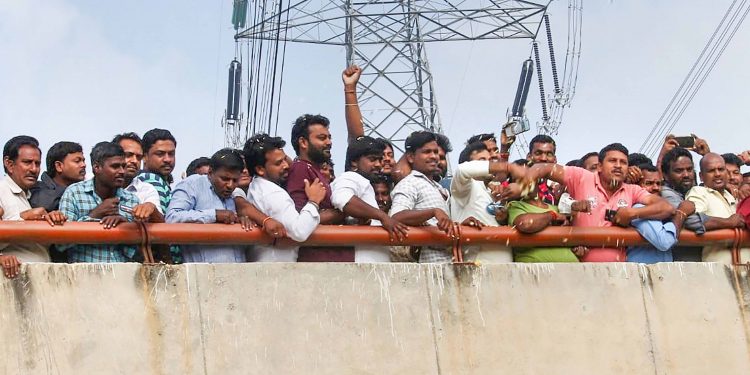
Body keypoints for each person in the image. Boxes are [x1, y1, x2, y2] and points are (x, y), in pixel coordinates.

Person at [523, 143, 674, 262]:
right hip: (580, 269)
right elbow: (540, 168)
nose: (618, 165)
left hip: (619, 272)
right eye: (612, 161)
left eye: (623, 162)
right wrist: (521, 186)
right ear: (600, 166)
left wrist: (633, 213)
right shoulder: (581, 177)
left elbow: (666, 207)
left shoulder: (632, 190)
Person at [59, 142, 158, 263]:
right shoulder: (74, 193)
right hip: (84, 277)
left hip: (122, 277)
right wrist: (94, 216)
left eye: (123, 166)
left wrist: (126, 227)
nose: (122, 171)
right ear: (97, 168)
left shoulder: (132, 200)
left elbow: (139, 253)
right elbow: (61, 244)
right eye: (115, 166)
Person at [244, 134, 324, 262]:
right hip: (275, 271)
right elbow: (299, 231)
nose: (286, 165)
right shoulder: (273, 194)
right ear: (260, 169)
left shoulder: (256, 186)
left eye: (285, 159)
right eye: (278, 163)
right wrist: (314, 201)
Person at [166, 149, 252, 263]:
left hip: (236, 274)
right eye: (225, 179)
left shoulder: (234, 195)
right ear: (210, 173)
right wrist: (214, 215)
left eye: (235, 180)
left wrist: (241, 222)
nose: (230, 185)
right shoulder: (192, 184)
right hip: (202, 275)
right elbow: (172, 217)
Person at [331, 136, 408, 262]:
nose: (378, 165)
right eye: (372, 159)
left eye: (380, 159)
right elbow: (342, 199)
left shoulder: (365, 182)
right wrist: (383, 217)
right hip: (361, 263)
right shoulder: (350, 177)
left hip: (373, 264)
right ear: (354, 162)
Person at [1, 136, 67, 277]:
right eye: (27, 162)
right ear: (9, 164)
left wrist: (53, 219)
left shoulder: (34, 195)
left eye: (37, 164)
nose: (34, 169)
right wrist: (23, 219)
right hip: (12, 280)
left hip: (40, 278)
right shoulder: (2, 191)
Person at [287, 113, 349, 261]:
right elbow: (300, 219)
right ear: (303, 142)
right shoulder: (300, 169)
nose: (329, 142)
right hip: (315, 260)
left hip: (331, 256)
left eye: (329, 137)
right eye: (322, 138)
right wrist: (342, 212)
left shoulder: (313, 170)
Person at [450, 141, 525, 263]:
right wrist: (508, 167)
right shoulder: (464, 188)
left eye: (489, 160)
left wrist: (502, 218)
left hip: (502, 268)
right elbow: (462, 170)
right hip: (478, 269)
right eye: (482, 160)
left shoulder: (491, 191)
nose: (490, 164)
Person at [390, 131, 457, 263]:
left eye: (436, 152)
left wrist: (461, 225)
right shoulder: (410, 183)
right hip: (429, 266)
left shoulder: (439, 188)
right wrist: (433, 212)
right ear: (410, 157)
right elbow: (396, 217)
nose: (434, 156)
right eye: (427, 152)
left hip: (450, 262)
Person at [685, 153, 747, 263]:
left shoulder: (735, 196)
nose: (717, 174)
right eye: (711, 171)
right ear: (701, 176)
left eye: (721, 169)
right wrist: (729, 222)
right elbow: (693, 220)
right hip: (718, 271)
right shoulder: (699, 192)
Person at [627, 169, 697, 263]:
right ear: (637, 187)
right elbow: (665, 241)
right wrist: (682, 212)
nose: (656, 187)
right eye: (649, 183)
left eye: (659, 183)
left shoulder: (663, 209)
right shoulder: (638, 208)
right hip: (640, 274)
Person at [134, 128, 181, 262]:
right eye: (160, 154)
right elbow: (161, 225)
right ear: (145, 156)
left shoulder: (161, 181)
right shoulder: (150, 179)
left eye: (171, 154)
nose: (167, 159)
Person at [659, 147, 712, 261]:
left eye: (689, 169)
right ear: (665, 175)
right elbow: (693, 222)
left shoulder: (695, 190)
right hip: (681, 268)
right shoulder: (665, 193)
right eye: (679, 171)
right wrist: (730, 221)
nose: (686, 175)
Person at [30, 141, 86, 212]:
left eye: (83, 161)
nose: (83, 165)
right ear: (59, 166)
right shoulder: (38, 192)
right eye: (77, 161)